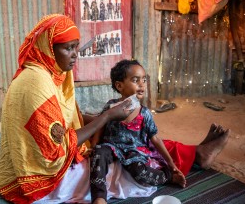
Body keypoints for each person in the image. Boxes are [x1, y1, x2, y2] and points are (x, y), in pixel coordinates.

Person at [0, 14, 132, 204]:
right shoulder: (36, 83)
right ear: (49, 49)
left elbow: (65, 117)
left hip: (41, 156)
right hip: (42, 177)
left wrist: (103, 118)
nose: (75, 53)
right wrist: (106, 117)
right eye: (68, 48)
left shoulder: (52, 72)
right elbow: (55, 150)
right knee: (118, 170)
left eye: (76, 46)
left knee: (125, 145)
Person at [89, 59, 230, 204]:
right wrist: (93, 144)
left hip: (134, 152)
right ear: (119, 85)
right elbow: (101, 125)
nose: (142, 84)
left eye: (144, 80)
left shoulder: (144, 113)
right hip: (112, 146)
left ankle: (168, 177)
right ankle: (99, 197)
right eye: (135, 80)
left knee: (138, 170)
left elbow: (155, 139)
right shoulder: (111, 106)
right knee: (99, 151)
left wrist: (171, 164)